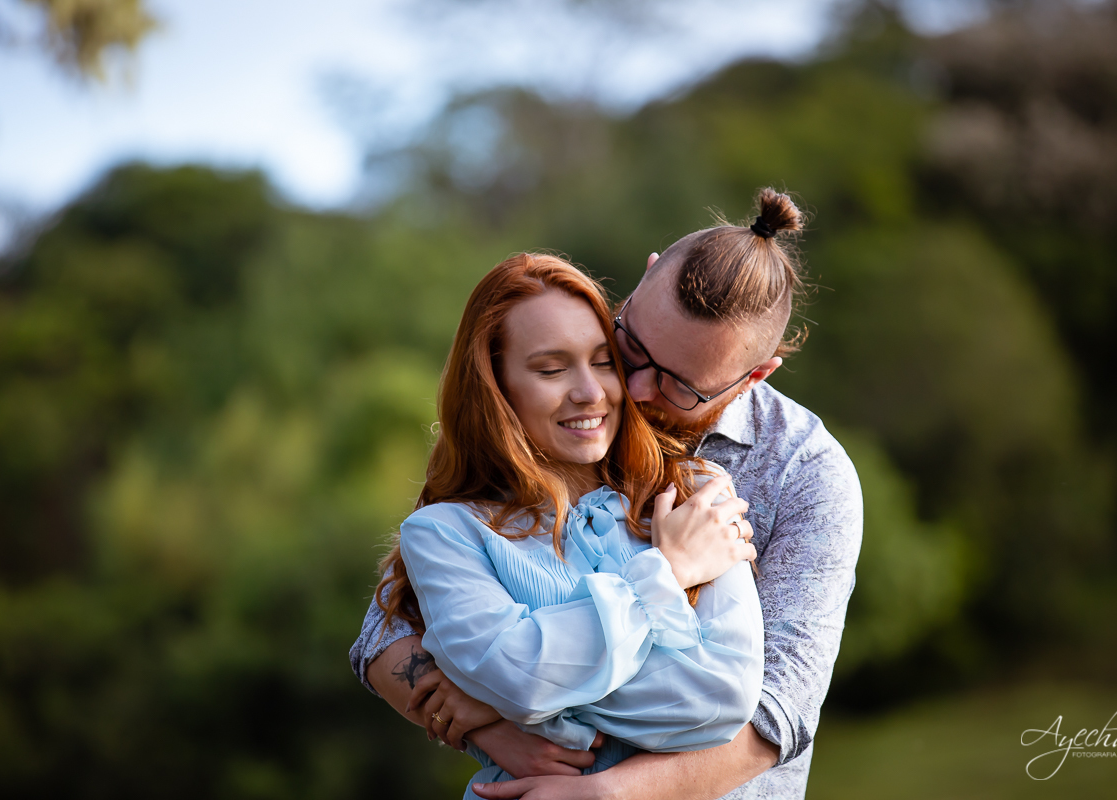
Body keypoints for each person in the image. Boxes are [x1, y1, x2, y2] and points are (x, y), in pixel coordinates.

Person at [352, 188, 864, 800]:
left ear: (754, 376)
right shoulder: (570, 404)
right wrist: (496, 721)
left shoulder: (804, 474)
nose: (633, 391)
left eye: (679, 385)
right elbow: (385, 632)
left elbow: (772, 712)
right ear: (644, 282)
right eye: (632, 348)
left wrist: (578, 758)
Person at [369, 251, 767, 798]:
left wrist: (501, 696)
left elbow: (719, 701)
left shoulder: (695, 493)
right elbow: (522, 677)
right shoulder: (444, 534)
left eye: (604, 362)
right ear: (496, 386)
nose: (590, 391)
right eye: (551, 369)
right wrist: (666, 572)